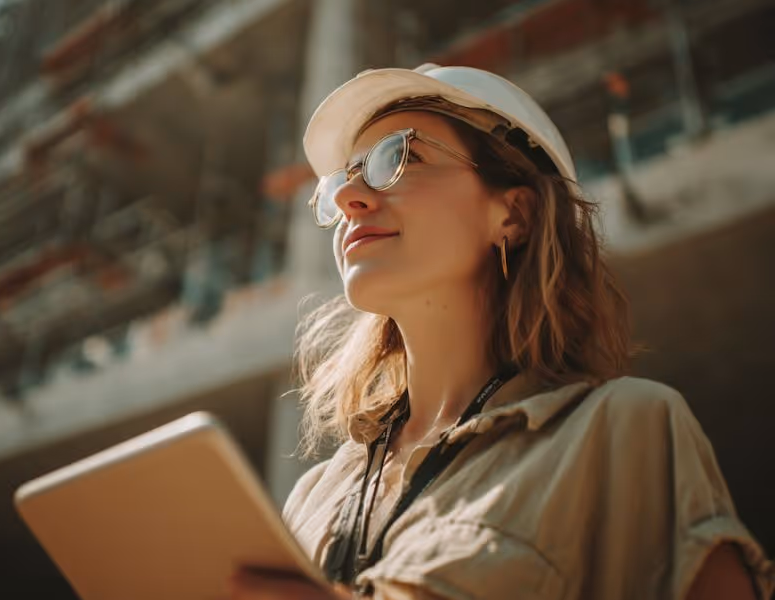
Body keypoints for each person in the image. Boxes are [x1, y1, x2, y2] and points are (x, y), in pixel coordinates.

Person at [229, 64, 774, 599]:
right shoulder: (311, 496)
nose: (350, 198)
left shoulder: (625, 427)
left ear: (514, 214)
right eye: (341, 180)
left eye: (399, 157)